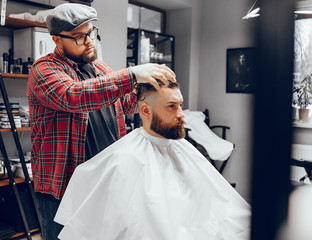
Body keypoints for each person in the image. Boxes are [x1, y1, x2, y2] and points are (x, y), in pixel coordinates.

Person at [26, 3, 175, 240]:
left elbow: (123, 103)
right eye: (79, 37)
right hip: (64, 185)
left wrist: (150, 90)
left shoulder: (101, 69)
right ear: (57, 40)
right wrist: (133, 73)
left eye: (91, 32)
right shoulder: (43, 69)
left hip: (105, 179)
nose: (89, 41)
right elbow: (74, 95)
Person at [54, 80, 251, 240]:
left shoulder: (184, 149)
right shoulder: (126, 158)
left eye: (180, 105)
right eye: (171, 107)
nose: (182, 114)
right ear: (146, 111)